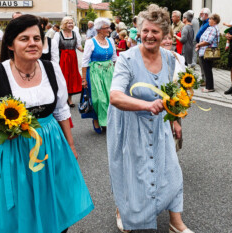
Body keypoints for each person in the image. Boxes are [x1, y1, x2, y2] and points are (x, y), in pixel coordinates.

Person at [0, 14, 94, 233]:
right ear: (11, 44)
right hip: (11, 150)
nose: (32, 43)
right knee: (17, 209)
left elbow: (61, 111)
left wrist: (70, 145)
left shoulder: (52, 69)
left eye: (37, 38)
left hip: (51, 147)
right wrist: (3, 130)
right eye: (24, 38)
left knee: (52, 200)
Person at [108, 4, 193, 233]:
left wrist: (175, 120)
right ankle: (124, 211)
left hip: (158, 124)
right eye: (145, 30)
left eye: (155, 31)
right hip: (129, 124)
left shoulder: (171, 59)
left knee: (171, 170)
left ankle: (176, 222)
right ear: (138, 31)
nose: (149, 35)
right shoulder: (126, 58)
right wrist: (147, 104)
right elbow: (115, 96)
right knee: (132, 172)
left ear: (165, 34)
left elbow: (176, 95)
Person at [81, 18, 117, 134]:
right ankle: (96, 119)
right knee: (99, 100)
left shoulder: (110, 40)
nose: (109, 30)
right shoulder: (90, 42)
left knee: (110, 99)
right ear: (99, 29)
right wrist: (83, 79)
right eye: (107, 28)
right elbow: (85, 62)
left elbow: (115, 58)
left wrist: (118, 74)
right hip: (95, 73)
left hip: (109, 72)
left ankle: (107, 122)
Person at [161, 27, 186, 152]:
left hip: (175, 104)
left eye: (170, 38)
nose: (168, 41)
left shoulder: (179, 58)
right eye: (164, 38)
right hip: (160, 107)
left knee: (174, 140)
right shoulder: (156, 59)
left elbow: (184, 83)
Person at [53, 16, 83, 107]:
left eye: (72, 23)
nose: (71, 24)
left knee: (72, 78)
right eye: (69, 23)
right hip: (62, 58)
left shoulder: (75, 34)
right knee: (63, 78)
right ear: (64, 24)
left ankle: (70, 99)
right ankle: (62, 99)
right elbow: (54, 48)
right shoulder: (58, 34)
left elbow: (79, 46)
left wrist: (86, 50)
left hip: (73, 58)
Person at [196, 14, 221, 93]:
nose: (209, 20)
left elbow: (208, 41)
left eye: (210, 19)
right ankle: (209, 86)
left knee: (207, 69)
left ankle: (209, 87)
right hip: (206, 51)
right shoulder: (211, 28)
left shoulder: (213, 29)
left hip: (207, 52)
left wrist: (198, 44)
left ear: (215, 21)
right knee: (208, 69)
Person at [196, 8, 211, 86]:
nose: (200, 15)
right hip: (200, 45)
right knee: (201, 64)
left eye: (201, 14)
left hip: (204, 46)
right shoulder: (203, 22)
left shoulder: (208, 23)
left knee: (204, 64)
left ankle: (206, 80)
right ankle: (203, 79)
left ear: (206, 14)